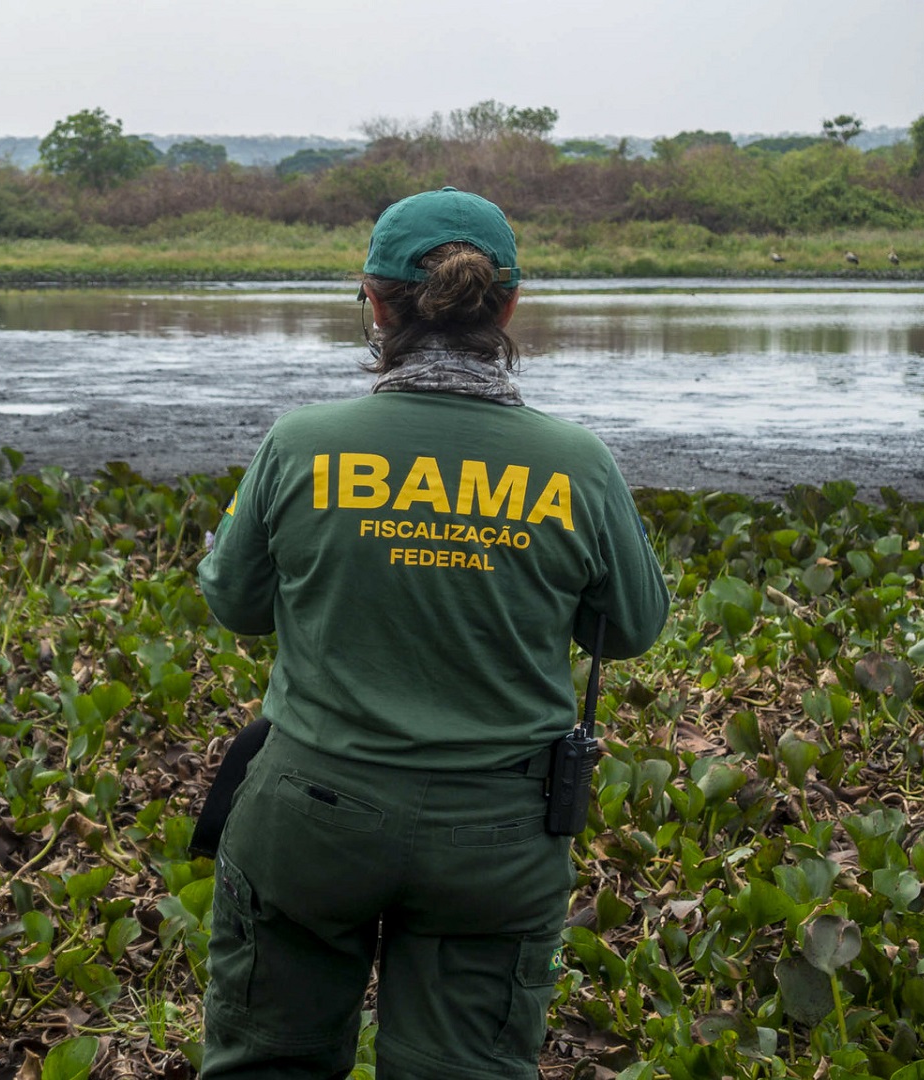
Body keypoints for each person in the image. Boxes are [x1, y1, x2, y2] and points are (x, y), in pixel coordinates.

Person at [194, 187, 670, 1079]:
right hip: (498, 830)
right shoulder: (577, 462)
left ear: (374, 304)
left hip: (311, 816)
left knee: (268, 1064)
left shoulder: (302, 444)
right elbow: (632, 630)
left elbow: (236, 603)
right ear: (509, 306)